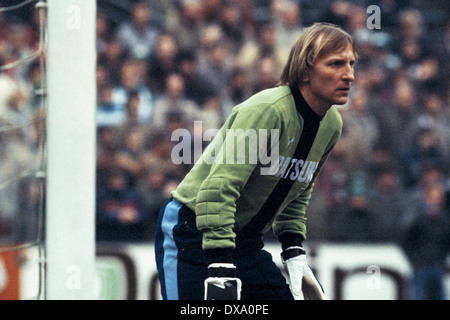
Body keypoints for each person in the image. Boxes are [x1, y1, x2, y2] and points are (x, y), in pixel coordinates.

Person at [155, 22, 356, 300]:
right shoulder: (268, 110)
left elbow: (297, 191)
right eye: (336, 64)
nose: (350, 75)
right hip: (192, 232)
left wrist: (293, 250)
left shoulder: (331, 124)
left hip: (246, 241)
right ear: (306, 70)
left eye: (351, 63)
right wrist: (222, 264)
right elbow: (219, 189)